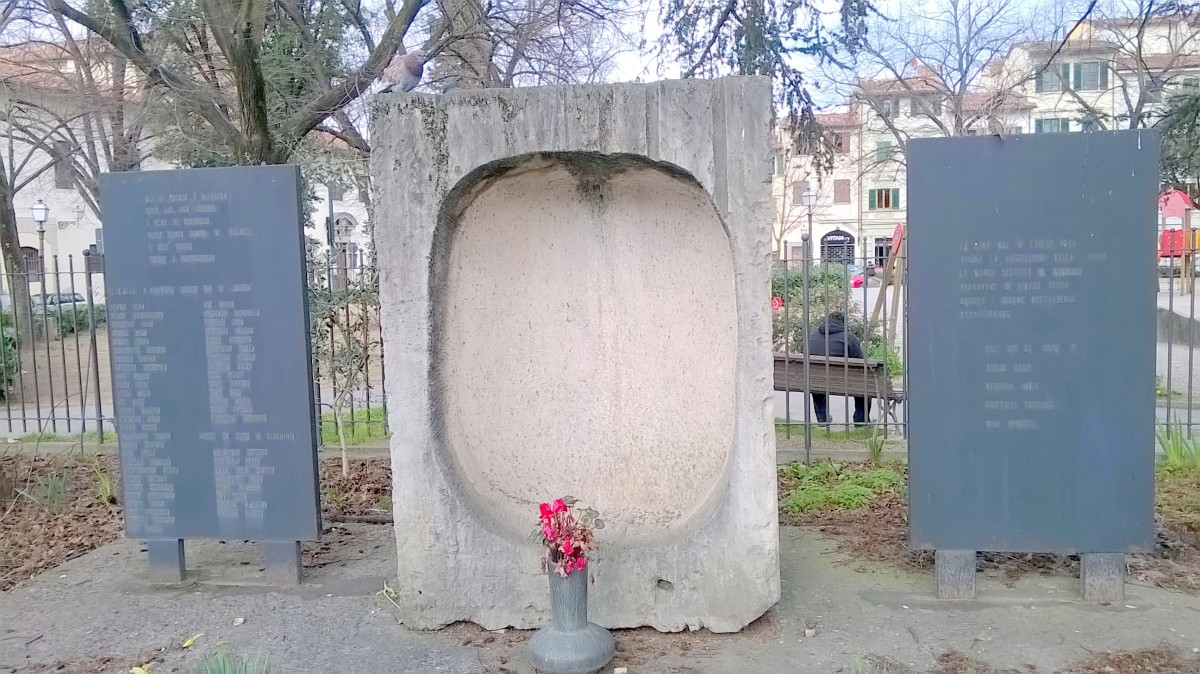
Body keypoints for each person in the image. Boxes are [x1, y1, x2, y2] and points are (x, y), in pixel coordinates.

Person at [806, 311, 872, 424]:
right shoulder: (849, 338)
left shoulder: (812, 336)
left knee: (816, 379)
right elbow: (860, 363)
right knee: (864, 386)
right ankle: (860, 420)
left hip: (815, 380)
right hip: (844, 383)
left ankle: (822, 418)